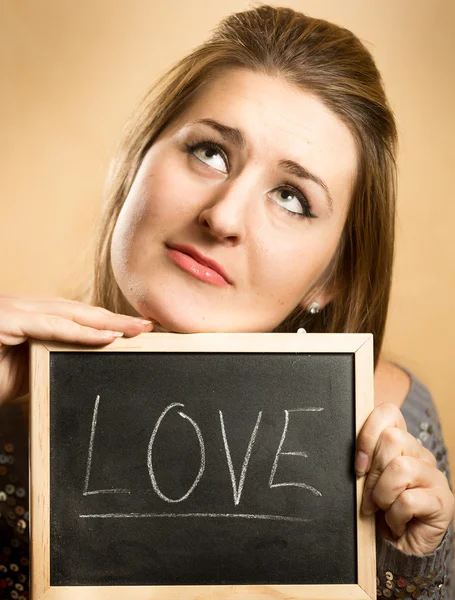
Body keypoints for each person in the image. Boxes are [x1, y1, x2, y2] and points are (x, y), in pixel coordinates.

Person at [0, 4, 453, 598]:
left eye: (292, 197)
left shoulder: (394, 429)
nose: (223, 216)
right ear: (137, 160)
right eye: (210, 152)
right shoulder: (12, 389)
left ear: (330, 280)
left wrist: (414, 564)